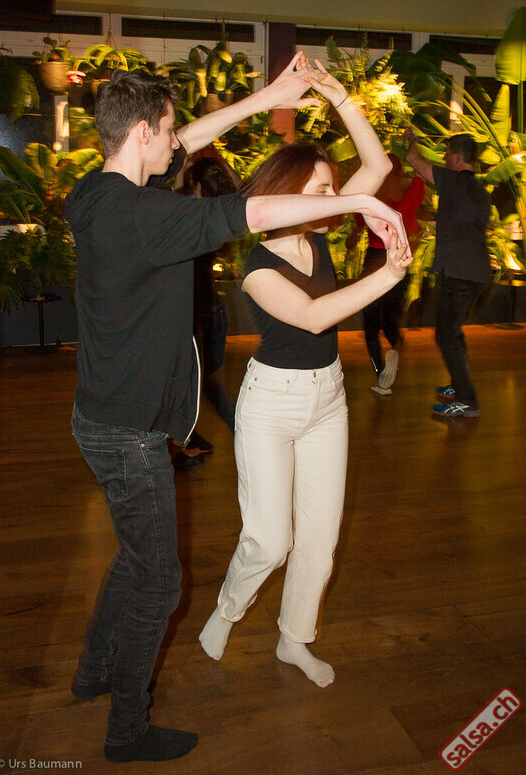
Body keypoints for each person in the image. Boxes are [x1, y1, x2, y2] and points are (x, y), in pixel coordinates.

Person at [64, 57, 409, 763]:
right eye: (168, 132)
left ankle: (93, 672)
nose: (179, 143)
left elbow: (190, 144)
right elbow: (254, 213)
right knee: (158, 581)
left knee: (135, 560)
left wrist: (268, 98)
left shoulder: (95, 193)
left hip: (108, 418)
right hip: (129, 431)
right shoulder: (152, 217)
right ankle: (127, 729)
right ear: (141, 134)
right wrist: (359, 206)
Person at [199, 60, 413, 689]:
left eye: (330, 189)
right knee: (270, 540)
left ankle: (294, 639)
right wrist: (389, 274)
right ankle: (227, 610)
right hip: (271, 405)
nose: (333, 200)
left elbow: (377, 168)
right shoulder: (257, 267)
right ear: (288, 193)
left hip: (328, 402)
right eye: (319, 191)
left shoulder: (317, 236)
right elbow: (316, 317)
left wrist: (339, 96)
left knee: (319, 539)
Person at [405, 130, 491, 417]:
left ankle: (467, 401)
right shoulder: (480, 190)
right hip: (475, 272)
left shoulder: (453, 181)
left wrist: (413, 139)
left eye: (446, 154)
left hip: (460, 274)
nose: (443, 158)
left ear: (456, 158)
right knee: (452, 333)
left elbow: (413, 159)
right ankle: (459, 385)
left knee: (446, 336)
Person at [173, 155, 240, 470]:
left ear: (196, 185)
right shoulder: (220, 215)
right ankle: (192, 439)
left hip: (191, 314)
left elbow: (172, 197)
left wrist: (181, 170)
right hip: (213, 311)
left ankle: (190, 443)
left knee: (192, 384)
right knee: (207, 383)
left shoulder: (186, 214)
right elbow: (239, 190)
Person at [350, 154, 425, 394]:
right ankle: (395, 351)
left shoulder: (371, 200)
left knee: (370, 324)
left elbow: (353, 236)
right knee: (391, 320)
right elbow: (421, 172)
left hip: (374, 260)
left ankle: (381, 375)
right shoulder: (411, 194)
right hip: (398, 259)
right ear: (400, 173)